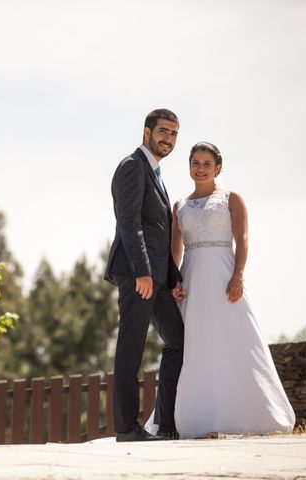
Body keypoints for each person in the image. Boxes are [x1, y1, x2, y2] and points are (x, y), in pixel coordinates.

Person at [146, 141, 295, 438]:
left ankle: (251, 413)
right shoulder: (179, 206)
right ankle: (192, 417)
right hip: (192, 280)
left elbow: (243, 239)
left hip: (224, 275)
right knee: (194, 343)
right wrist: (175, 282)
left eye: (206, 164)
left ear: (218, 168)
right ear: (189, 167)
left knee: (237, 337)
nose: (200, 169)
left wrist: (238, 276)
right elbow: (176, 253)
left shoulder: (231, 199)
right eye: (195, 163)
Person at [104, 109, 185, 441]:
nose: (168, 138)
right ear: (146, 131)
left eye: (174, 133)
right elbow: (130, 223)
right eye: (163, 131)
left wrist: (174, 275)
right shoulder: (131, 166)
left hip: (157, 277)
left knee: (179, 340)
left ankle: (166, 423)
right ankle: (126, 428)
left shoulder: (157, 173)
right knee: (131, 348)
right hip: (137, 275)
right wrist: (142, 272)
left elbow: (158, 232)